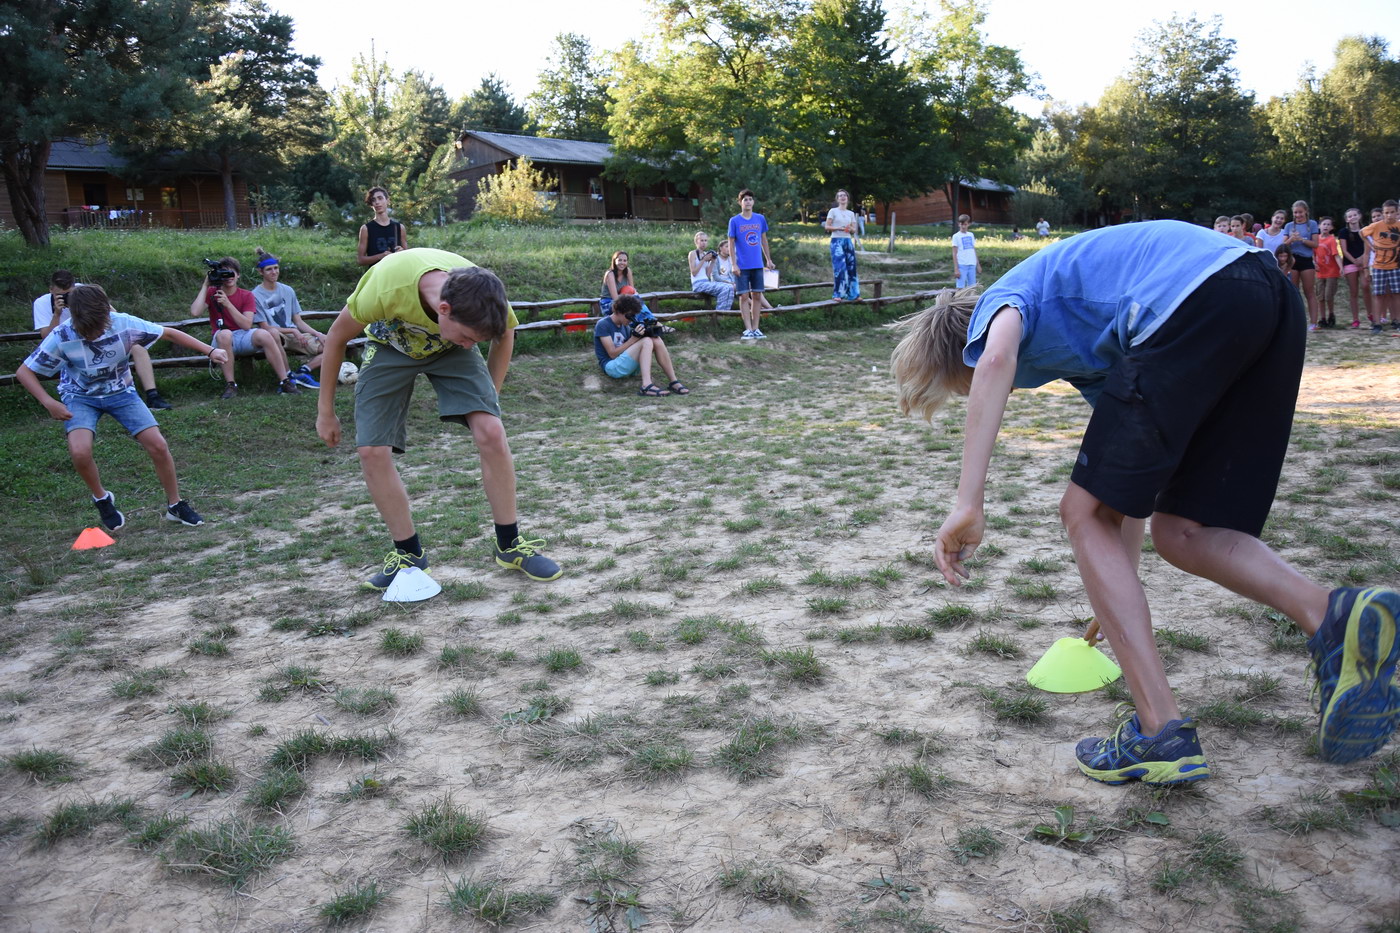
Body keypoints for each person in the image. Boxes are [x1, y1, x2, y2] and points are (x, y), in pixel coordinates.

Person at [890, 219, 1399, 786]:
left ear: (962, 347)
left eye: (958, 388)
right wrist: (1115, 584)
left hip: (1199, 296)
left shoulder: (1000, 304)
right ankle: (1331, 616)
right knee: (1183, 530)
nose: (976, 394)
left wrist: (968, 501)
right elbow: (1123, 493)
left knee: (1078, 511)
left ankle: (1160, 733)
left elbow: (992, 363)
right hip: (1267, 300)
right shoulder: (1090, 348)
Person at [314, 247, 561, 591]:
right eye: (469, 337)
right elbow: (337, 338)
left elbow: (504, 334)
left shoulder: (484, 294)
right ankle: (409, 555)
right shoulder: (386, 287)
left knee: (491, 431)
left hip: (446, 348)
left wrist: (489, 397)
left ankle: (510, 546)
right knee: (371, 450)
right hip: (390, 345)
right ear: (443, 309)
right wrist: (326, 411)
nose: (471, 345)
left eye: (475, 340)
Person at [16, 285, 224, 530]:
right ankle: (102, 498)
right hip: (79, 396)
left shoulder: (123, 323)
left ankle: (175, 505)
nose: (93, 335)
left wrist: (210, 350)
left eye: (97, 328)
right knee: (80, 451)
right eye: (87, 330)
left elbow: (169, 333)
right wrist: (49, 402)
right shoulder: (62, 334)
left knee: (158, 445)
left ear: (106, 315)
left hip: (121, 392)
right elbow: (24, 372)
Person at [34, 270, 172, 411]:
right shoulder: (42, 303)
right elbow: (46, 337)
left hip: (102, 339)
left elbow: (114, 315)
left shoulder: (84, 292)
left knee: (138, 347)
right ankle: (85, 400)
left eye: (69, 294)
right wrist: (57, 314)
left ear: (74, 287)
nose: (66, 298)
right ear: (51, 290)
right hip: (73, 349)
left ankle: (152, 395)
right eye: (61, 295)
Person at [192, 256, 300, 398]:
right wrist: (206, 285)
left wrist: (228, 304)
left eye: (231, 273)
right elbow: (195, 312)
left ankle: (285, 381)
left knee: (265, 334)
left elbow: (246, 325)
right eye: (224, 274)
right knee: (225, 334)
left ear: (238, 275)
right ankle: (231, 384)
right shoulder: (213, 292)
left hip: (243, 335)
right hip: (222, 340)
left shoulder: (246, 295)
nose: (228, 277)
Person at [593, 294, 689, 397]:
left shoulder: (625, 326)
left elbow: (630, 348)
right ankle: (646, 386)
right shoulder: (603, 324)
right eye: (630, 315)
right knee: (646, 341)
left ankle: (673, 381)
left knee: (656, 339)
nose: (631, 319)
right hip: (612, 367)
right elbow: (612, 354)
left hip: (627, 364)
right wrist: (634, 339)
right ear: (618, 311)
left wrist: (644, 333)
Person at [253, 248, 323, 387]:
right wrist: (293, 331)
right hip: (276, 335)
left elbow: (298, 321)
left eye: (276, 268)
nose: (274, 272)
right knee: (273, 334)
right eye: (269, 269)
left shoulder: (288, 290)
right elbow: (265, 327)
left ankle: (303, 372)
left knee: (331, 345)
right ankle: (288, 376)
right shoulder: (255, 295)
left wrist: (318, 334)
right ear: (260, 272)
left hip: (294, 334)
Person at [727, 188, 776, 340]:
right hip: (741, 266)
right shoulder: (734, 221)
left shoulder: (760, 219)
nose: (748, 202)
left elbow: (764, 240)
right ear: (740, 202)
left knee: (757, 295)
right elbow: (730, 244)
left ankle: (756, 328)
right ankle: (747, 329)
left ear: (753, 202)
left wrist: (768, 259)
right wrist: (734, 264)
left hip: (757, 264)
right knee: (743, 296)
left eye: (750, 199)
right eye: (745, 199)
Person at [1362, 199, 1400, 333]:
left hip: (1395, 266)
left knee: (1396, 294)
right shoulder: (1376, 226)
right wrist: (1371, 245)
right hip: (1378, 266)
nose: (1389, 215)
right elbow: (1362, 233)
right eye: (1386, 212)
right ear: (1383, 213)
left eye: (1392, 212)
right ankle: (1377, 323)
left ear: (1397, 212)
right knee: (1378, 295)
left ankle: (1397, 320)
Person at [1284, 200, 1321, 330]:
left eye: (1300, 212)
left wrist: (1302, 240)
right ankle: (1295, 322)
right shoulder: (1289, 225)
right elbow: (1283, 245)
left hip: (1306, 260)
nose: (1298, 215)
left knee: (1309, 291)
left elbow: (1315, 244)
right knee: (1294, 292)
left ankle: (1314, 323)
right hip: (1292, 260)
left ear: (1306, 211)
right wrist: (1291, 239)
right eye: (1295, 212)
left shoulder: (1312, 224)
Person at [824, 189, 860, 302]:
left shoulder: (851, 213)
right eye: (840, 196)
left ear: (847, 198)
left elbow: (854, 229)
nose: (843, 197)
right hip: (836, 241)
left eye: (844, 195)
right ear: (837, 199)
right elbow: (827, 227)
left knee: (851, 267)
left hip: (848, 241)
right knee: (840, 268)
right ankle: (838, 294)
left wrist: (850, 229)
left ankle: (854, 294)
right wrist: (838, 228)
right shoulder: (833, 211)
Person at [357, 186, 406, 267]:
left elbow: (407, 256)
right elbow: (360, 260)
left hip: (396, 272)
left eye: (380, 198)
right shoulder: (366, 229)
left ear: (388, 201)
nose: (377, 202)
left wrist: (402, 252)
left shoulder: (399, 227)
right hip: (377, 273)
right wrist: (381, 256)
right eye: (373, 200)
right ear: (371, 204)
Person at [1340, 207, 1371, 328]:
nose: (1352, 217)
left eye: (1354, 215)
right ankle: (1355, 319)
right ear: (1346, 219)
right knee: (1353, 292)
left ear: (1359, 216)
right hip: (1350, 262)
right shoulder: (1344, 232)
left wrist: (1362, 259)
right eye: (1350, 216)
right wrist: (1354, 261)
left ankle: (1371, 314)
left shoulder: (1365, 230)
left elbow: (1368, 245)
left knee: (1366, 286)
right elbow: (1344, 250)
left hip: (1364, 262)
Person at [687, 232, 734, 312]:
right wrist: (703, 260)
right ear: (696, 241)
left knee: (730, 287)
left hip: (706, 282)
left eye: (705, 240)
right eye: (701, 240)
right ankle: (720, 313)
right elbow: (694, 272)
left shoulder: (706, 254)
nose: (704, 243)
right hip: (698, 284)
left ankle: (725, 312)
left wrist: (713, 262)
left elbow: (707, 275)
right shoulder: (693, 253)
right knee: (726, 288)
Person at [1314, 217, 1343, 328]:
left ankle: (1331, 315)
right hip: (1320, 272)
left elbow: (1336, 255)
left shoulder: (1331, 240)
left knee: (1328, 296)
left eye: (1328, 224)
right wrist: (1314, 263)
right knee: (1320, 296)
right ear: (1319, 226)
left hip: (1331, 272)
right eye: (1324, 224)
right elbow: (1313, 254)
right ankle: (1322, 318)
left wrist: (1341, 267)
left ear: (1332, 228)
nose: (1325, 226)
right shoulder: (1316, 239)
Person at [951, 214, 981, 289]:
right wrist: (956, 269)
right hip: (962, 264)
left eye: (965, 224)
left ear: (968, 224)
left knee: (972, 287)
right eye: (962, 224)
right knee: (960, 287)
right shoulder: (956, 236)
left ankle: (971, 297)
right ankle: (959, 297)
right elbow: (954, 253)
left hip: (972, 263)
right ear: (959, 224)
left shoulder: (971, 235)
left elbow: (973, 250)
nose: (963, 226)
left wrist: (978, 264)